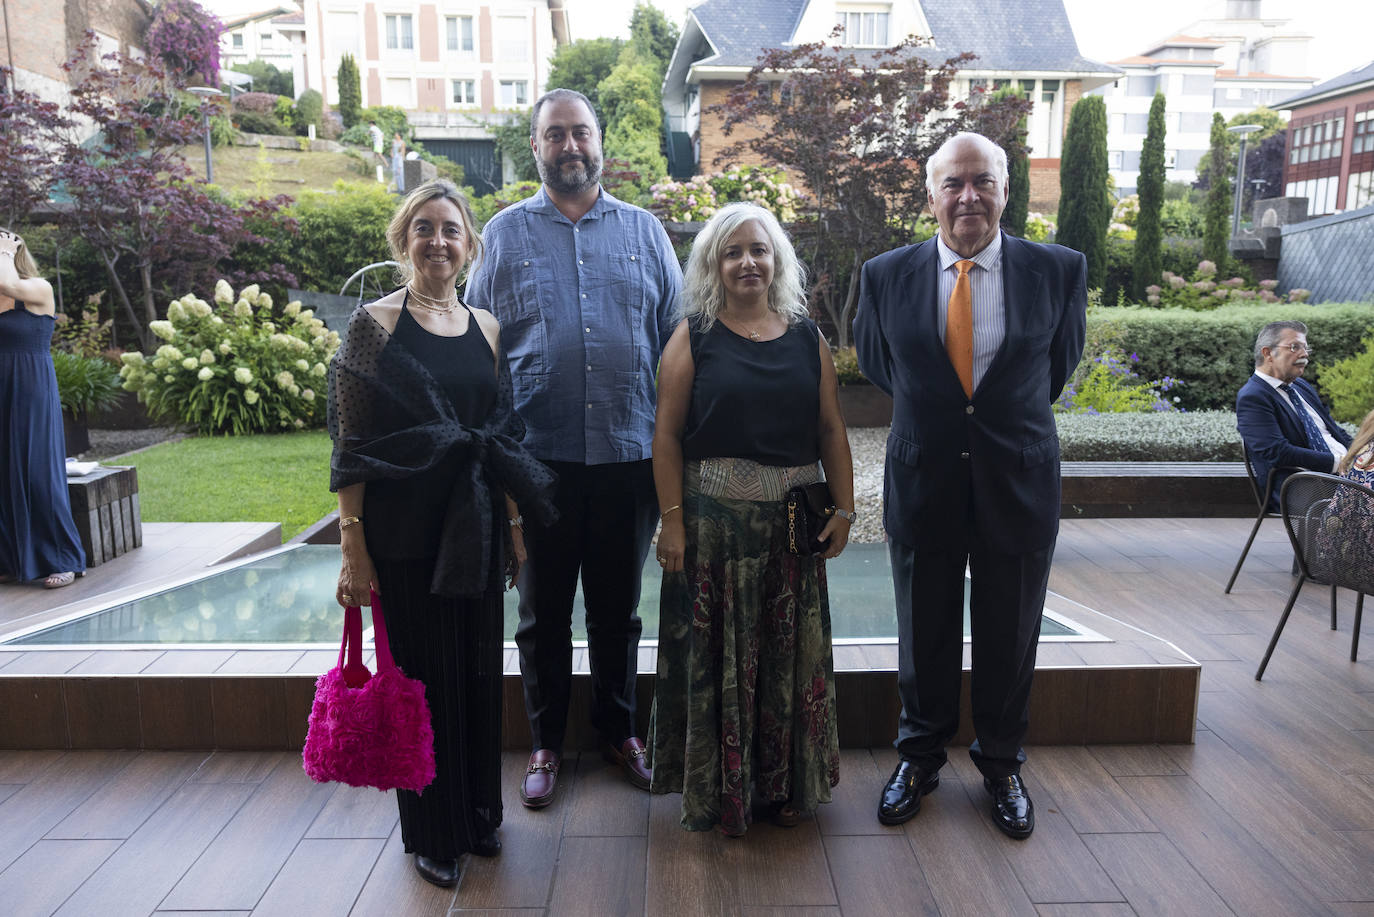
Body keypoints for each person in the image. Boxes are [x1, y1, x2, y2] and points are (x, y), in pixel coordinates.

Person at [854, 131, 1087, 839]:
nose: (968, 196)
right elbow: (880, 365)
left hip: (1016, 480)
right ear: (930, 195)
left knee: (1010, 632)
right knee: (921, 630)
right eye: (953, 183)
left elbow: (1055, 370)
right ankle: (917, 758)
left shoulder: (1058, 270)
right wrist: (946, 422)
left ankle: (1001, 763)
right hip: (925, 479)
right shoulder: (885, 274)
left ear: (1005, 190)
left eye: (983, 181)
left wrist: (988, 425)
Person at [328, 180, 555, 889]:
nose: (437, 241)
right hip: (404, 534)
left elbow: (501, 434)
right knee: (424, 678)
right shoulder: (374, 324)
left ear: (469, 245)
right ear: (404, 240)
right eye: (423, 228)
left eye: (450, 230)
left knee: (478, 673)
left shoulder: (487, 327)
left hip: (478, 526)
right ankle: (432, 830)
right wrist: (352, 543)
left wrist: (515, 527)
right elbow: (349, 442)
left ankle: (478, 813)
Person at [465, 87, 683, 809]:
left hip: (628, 455)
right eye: (554, 134)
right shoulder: (501, 236)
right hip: (538, 464)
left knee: (618, 611)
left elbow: (677, 342)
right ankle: (547, 742)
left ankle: (620, 733)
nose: (569, 146)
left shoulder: (646, 233)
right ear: (536, 147)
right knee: (542, 614)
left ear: (600, 142)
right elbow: (478, 348)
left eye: (580, 132)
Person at [648, 202, 850, 836]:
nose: (747, 262)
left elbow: (831, 429)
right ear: (713, 264)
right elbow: (666, 436)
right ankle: (715, 789)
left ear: (777, 260)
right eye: (731, 252)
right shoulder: (693, 335)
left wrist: (845, 508)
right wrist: (672, 521)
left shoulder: (806, 336)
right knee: (718, 660)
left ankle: (786, 785)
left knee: (789, 656)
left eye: (758, 250)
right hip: (712, 532)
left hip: (789, 533)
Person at [0, 228, 86, 589]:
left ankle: (64, 558)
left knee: (37, 472)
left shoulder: (37, 288)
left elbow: (12, 286)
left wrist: (5, 251)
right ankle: (11, 560)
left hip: (31, 387)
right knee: (4, 474)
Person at [1236, 320, 1353, 510]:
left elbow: (1335, 432)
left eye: (1306, 348)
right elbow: (1277, 452)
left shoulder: (1300, 386)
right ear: (1268, 353)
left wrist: (1360, 454)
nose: (1304, 354)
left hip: (1346, 476)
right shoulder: (1253, 397)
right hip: (1304, 487)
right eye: (1294, 347)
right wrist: (1339, 463)